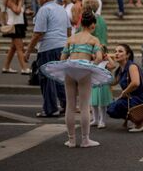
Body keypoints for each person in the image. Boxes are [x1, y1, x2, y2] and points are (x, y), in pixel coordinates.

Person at [40, 10, 112, 147]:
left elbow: (62, 58)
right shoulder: (93, 39)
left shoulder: (71, 38)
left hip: (70, 69)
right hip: (84, 70)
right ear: (92, 25)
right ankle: (85, 139)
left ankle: (71, 140)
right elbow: (97, 58)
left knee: (70, 105)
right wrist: (92, 65)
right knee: (85, 106)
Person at [24, 0, 69, 117]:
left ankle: (50, 108)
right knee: (59, 77)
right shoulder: (61, 9)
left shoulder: (44, 10)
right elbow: (68, 30)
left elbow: (38, 33)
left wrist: (28, 51)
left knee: (47, 78)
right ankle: (66, 104)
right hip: (62, 46)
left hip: (48, 47)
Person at [107, 44, 143, 132]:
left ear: (127, 55)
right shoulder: (120, 70)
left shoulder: (132, 66)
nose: (116, 54)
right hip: (133, 99)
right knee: (111, 108)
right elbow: (112, 82)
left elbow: (135, 83)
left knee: (117, 106)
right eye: (115, 52)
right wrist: (109, 66)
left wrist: (124, 92)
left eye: (120, 51)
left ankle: (141, 122)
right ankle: (137, 120)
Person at [80, 0, 111, 129]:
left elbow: (81, 35)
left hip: (93, 54)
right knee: (98, 90)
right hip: (102, 53)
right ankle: (98, 118)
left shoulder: (88, 20)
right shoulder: (102, 19)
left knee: (94, 89)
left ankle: (97, 118)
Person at [1, 0, 30, 74]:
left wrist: (27, 12)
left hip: (19, 25)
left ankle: (6, 67)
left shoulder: (18, 2)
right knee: (19, 48)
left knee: (13, 48)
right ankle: (24, 68)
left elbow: (19, 12)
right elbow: (17, 11)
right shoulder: (9, 1)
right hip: (14, 26)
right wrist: (21, 1)